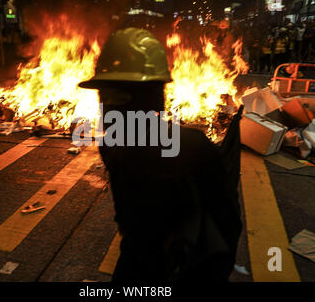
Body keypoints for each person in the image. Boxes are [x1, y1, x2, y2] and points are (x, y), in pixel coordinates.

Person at [78, 28, 242, 282]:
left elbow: (224, 224)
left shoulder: (115, 144)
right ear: (158, 94)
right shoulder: (189, 146)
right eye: (106, 96)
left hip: (160, 269)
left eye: (115, 96)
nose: (108, 107)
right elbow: (227, 221)